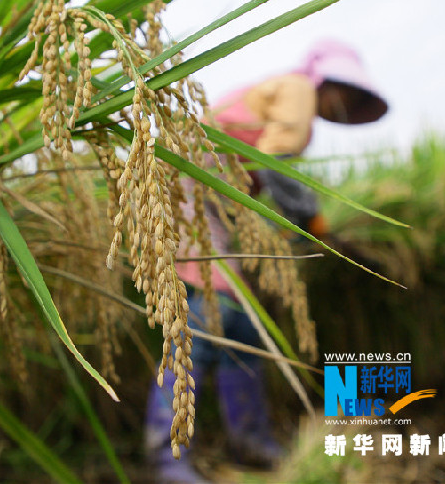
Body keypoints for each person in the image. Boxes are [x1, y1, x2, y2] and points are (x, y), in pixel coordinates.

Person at [144, 39, 389, 483]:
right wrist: (311, 219)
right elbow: (275, 165)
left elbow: (254, 179)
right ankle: (167, 457)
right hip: (189, 198)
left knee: (239, 325)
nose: (346, 109)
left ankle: (251, 443)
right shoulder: (299, 90)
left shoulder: (285, 97)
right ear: (329, 84)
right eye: (350, 98)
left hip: (209, 203)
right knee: (198, 318)